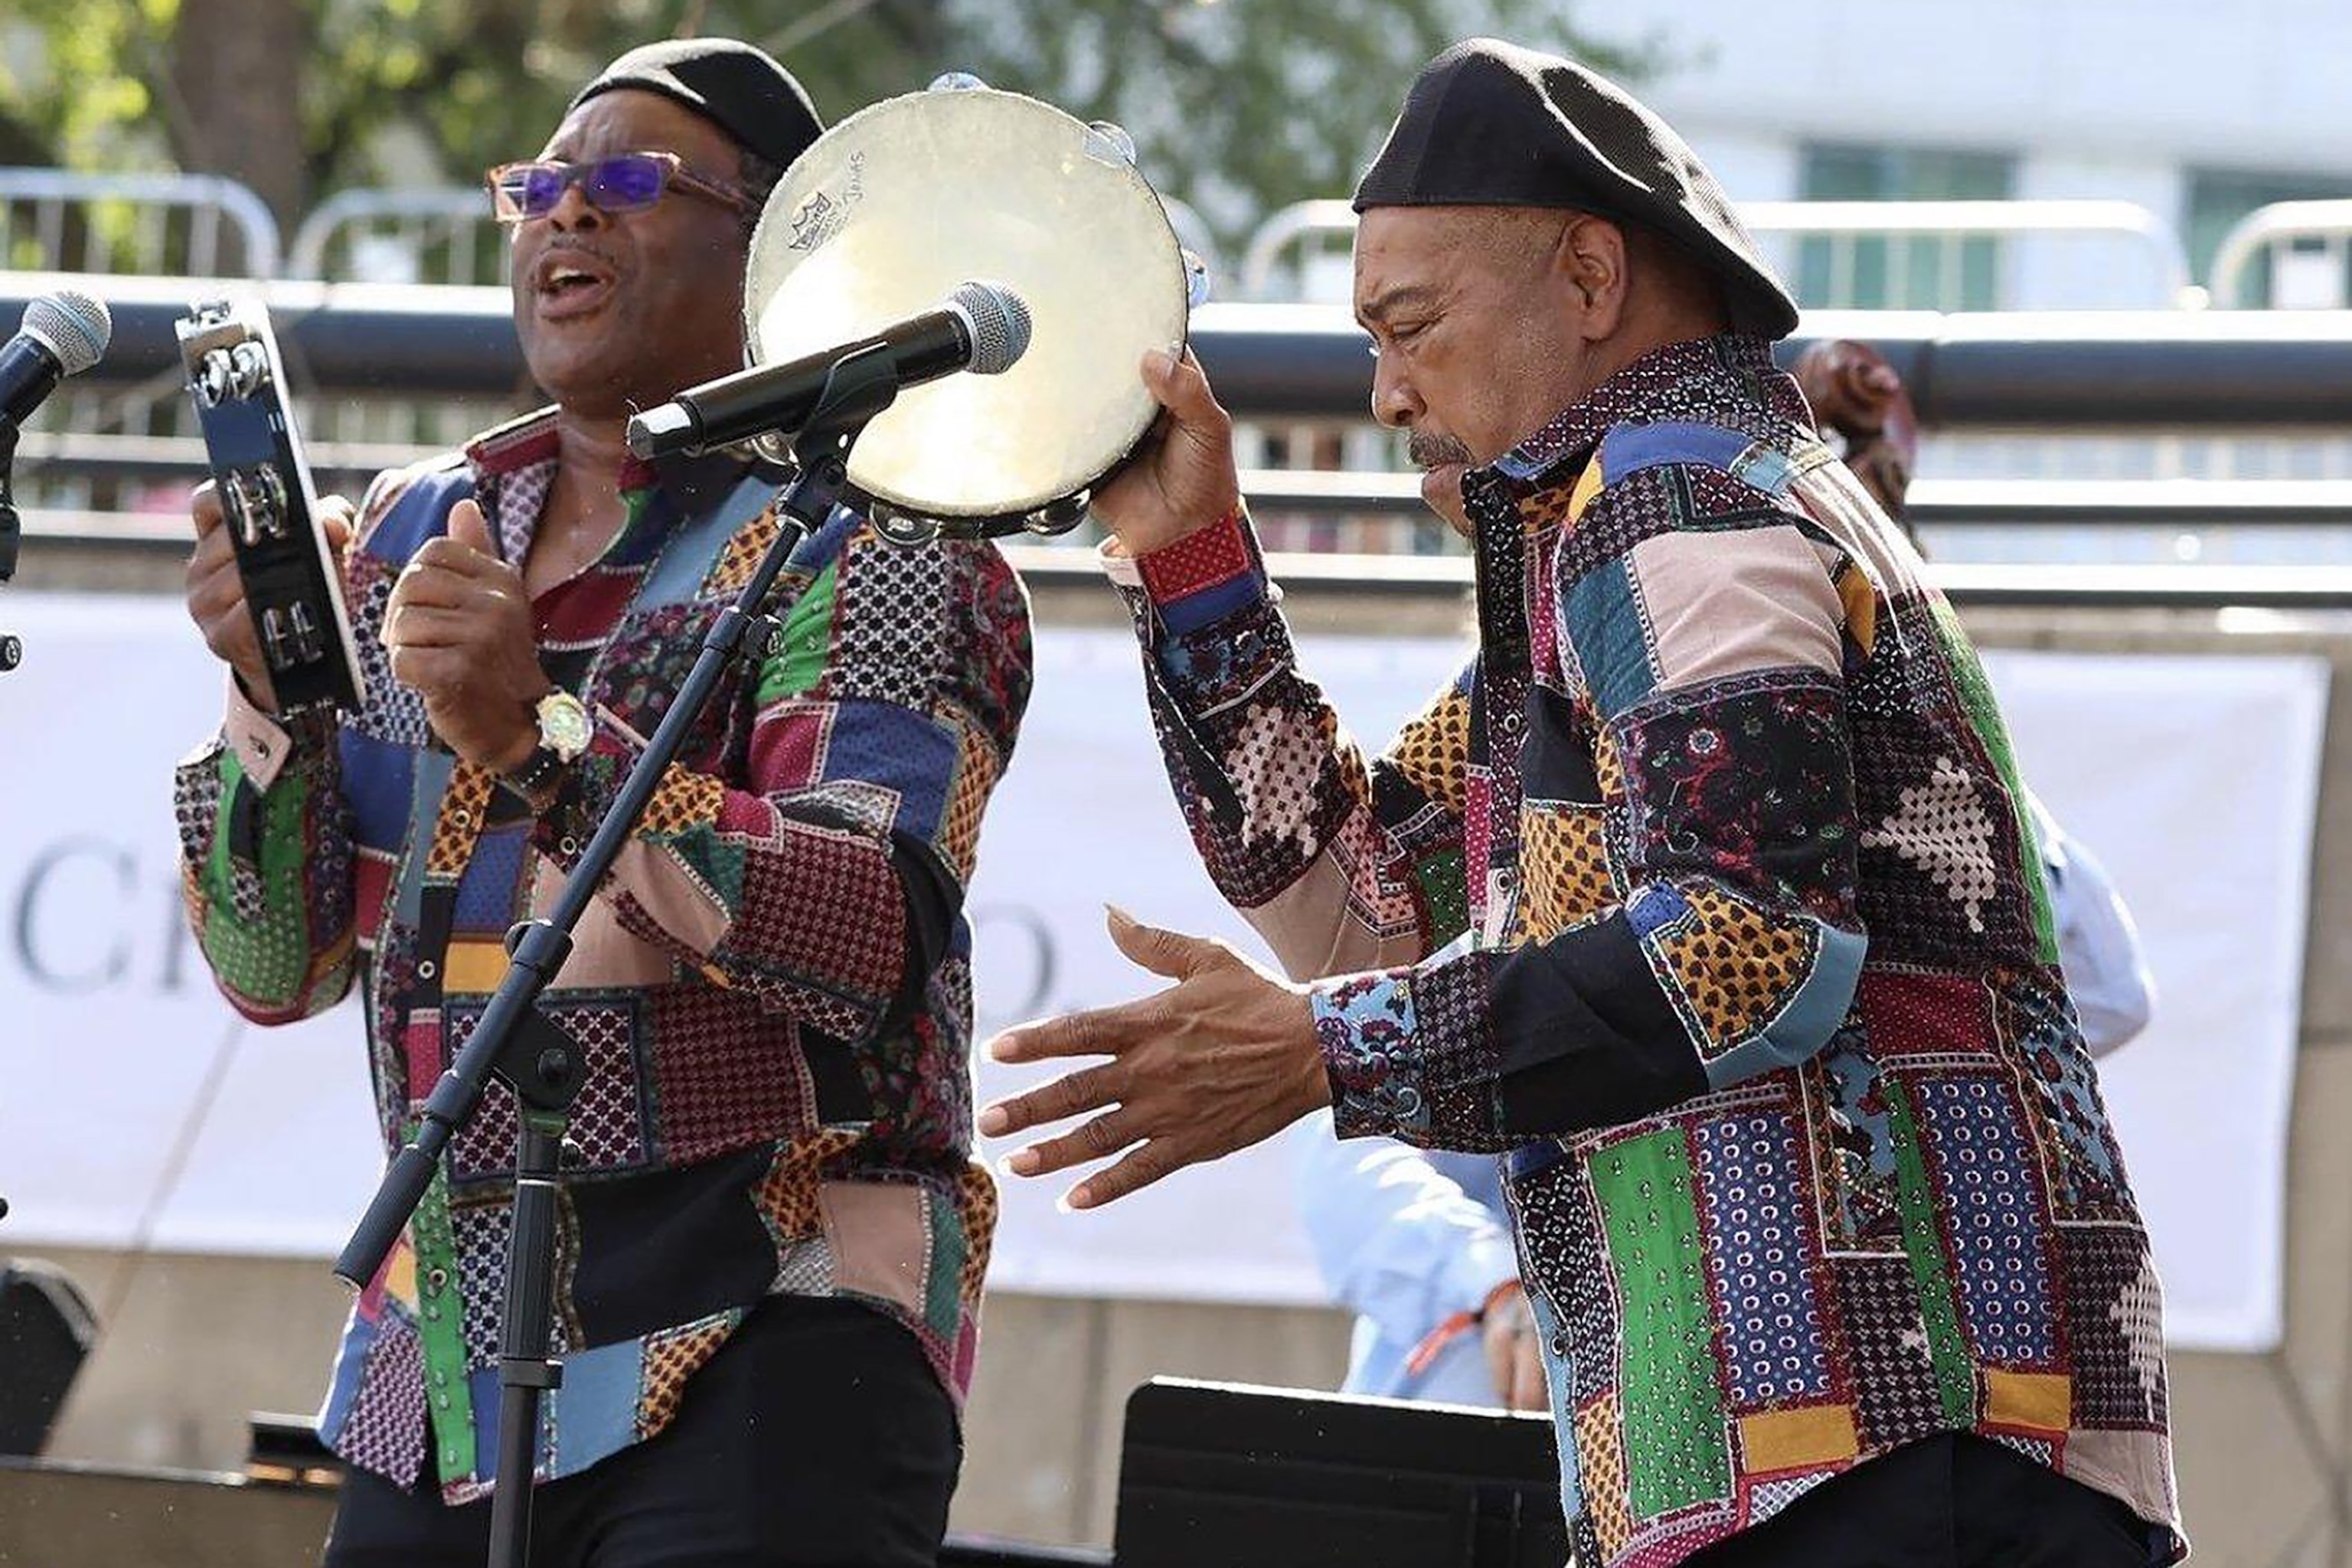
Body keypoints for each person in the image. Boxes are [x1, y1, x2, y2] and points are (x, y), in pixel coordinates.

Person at [981, 38, 2180, 1567]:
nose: (1386, 388)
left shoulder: (1673, 501)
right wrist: (1191, 559)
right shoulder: (1653, 528)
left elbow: (1748, 946)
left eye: (1411, 326)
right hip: (1878, 1456)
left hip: (1888, 1455)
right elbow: (1357, 902)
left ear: (1592, 278)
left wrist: (1318, 1052)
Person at [174, 39, 1031, 1567]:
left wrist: (541, 739)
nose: (566, 218)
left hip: (773, 1317)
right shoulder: (416, 530)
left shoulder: (878, 537)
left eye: (628, 183)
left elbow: (857, 936)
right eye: (542, 189)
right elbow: (272, 966)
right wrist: (265, 696)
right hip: (445, 1358)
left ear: (775, 239)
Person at [1305, 343, 2162, 1419]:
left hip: (1786, 1396)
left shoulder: (1826, 750)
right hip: (1509, 1394)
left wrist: (1889, 727)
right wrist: (1489, 1285)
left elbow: (2100, 989)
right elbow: (1342, 1144)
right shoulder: (1502, 750)